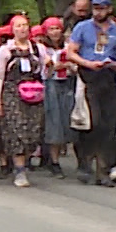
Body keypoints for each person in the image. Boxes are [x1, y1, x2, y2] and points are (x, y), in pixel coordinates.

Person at [67, 0, 116, 186]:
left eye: (102, 8)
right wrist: (86, 62)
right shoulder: (83, 27)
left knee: (109, 125)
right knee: (91, 123)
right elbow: (71, 52)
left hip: (108, 77)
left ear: (109, 9)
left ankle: (103, 170)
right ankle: (85, 161)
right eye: (95, 8)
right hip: (89, 78)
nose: (98, 12)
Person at [0, 14, 50, 188]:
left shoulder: (38, 49)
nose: (22, 29)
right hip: (12, 93)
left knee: (34, 131)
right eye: (18, 26)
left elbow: (45, 74)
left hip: (34, 93)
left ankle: (26, 158)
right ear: (12, 29)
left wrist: (50, 66)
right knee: (17, 130)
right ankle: (19, 169)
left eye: (25, 25)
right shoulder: (5, 50)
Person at [39, 17, 76, 176]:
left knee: (69, 118)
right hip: (50, 84)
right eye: (51, 29)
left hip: (67, 83)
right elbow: (43, 69)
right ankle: (54, 161)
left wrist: (69, 65)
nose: (55, 32)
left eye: (57, 28)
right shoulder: (41, 48)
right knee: (54, 121)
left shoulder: (68, 47)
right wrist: (56, 65)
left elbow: (75, 66)